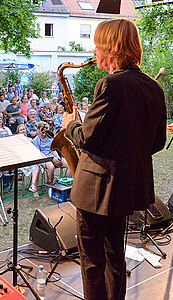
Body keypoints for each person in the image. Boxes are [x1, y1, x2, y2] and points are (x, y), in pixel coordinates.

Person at [62, 19, 166, 300]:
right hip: (126, 187)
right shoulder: (153, 87)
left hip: (96, 191)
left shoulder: (110, 84)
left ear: (111, 47)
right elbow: (158, 141)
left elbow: (87, 138)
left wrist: (70, 124)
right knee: (115, 257)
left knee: (92, 262)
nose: (94, 51)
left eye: (98, 45)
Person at [31, 121, 71, 193]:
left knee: (69, 164)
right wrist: (52, 159)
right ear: (38, 130)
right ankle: (51, 184)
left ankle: (67, 184)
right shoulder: (35, 140)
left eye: (46, 129)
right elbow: (39, 154)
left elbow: (53, 150)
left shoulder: (49, 138)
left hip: (53, 157)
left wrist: (58, 157)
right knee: (51, 167)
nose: (44, 131)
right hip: (44, 159)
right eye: (42, 129)